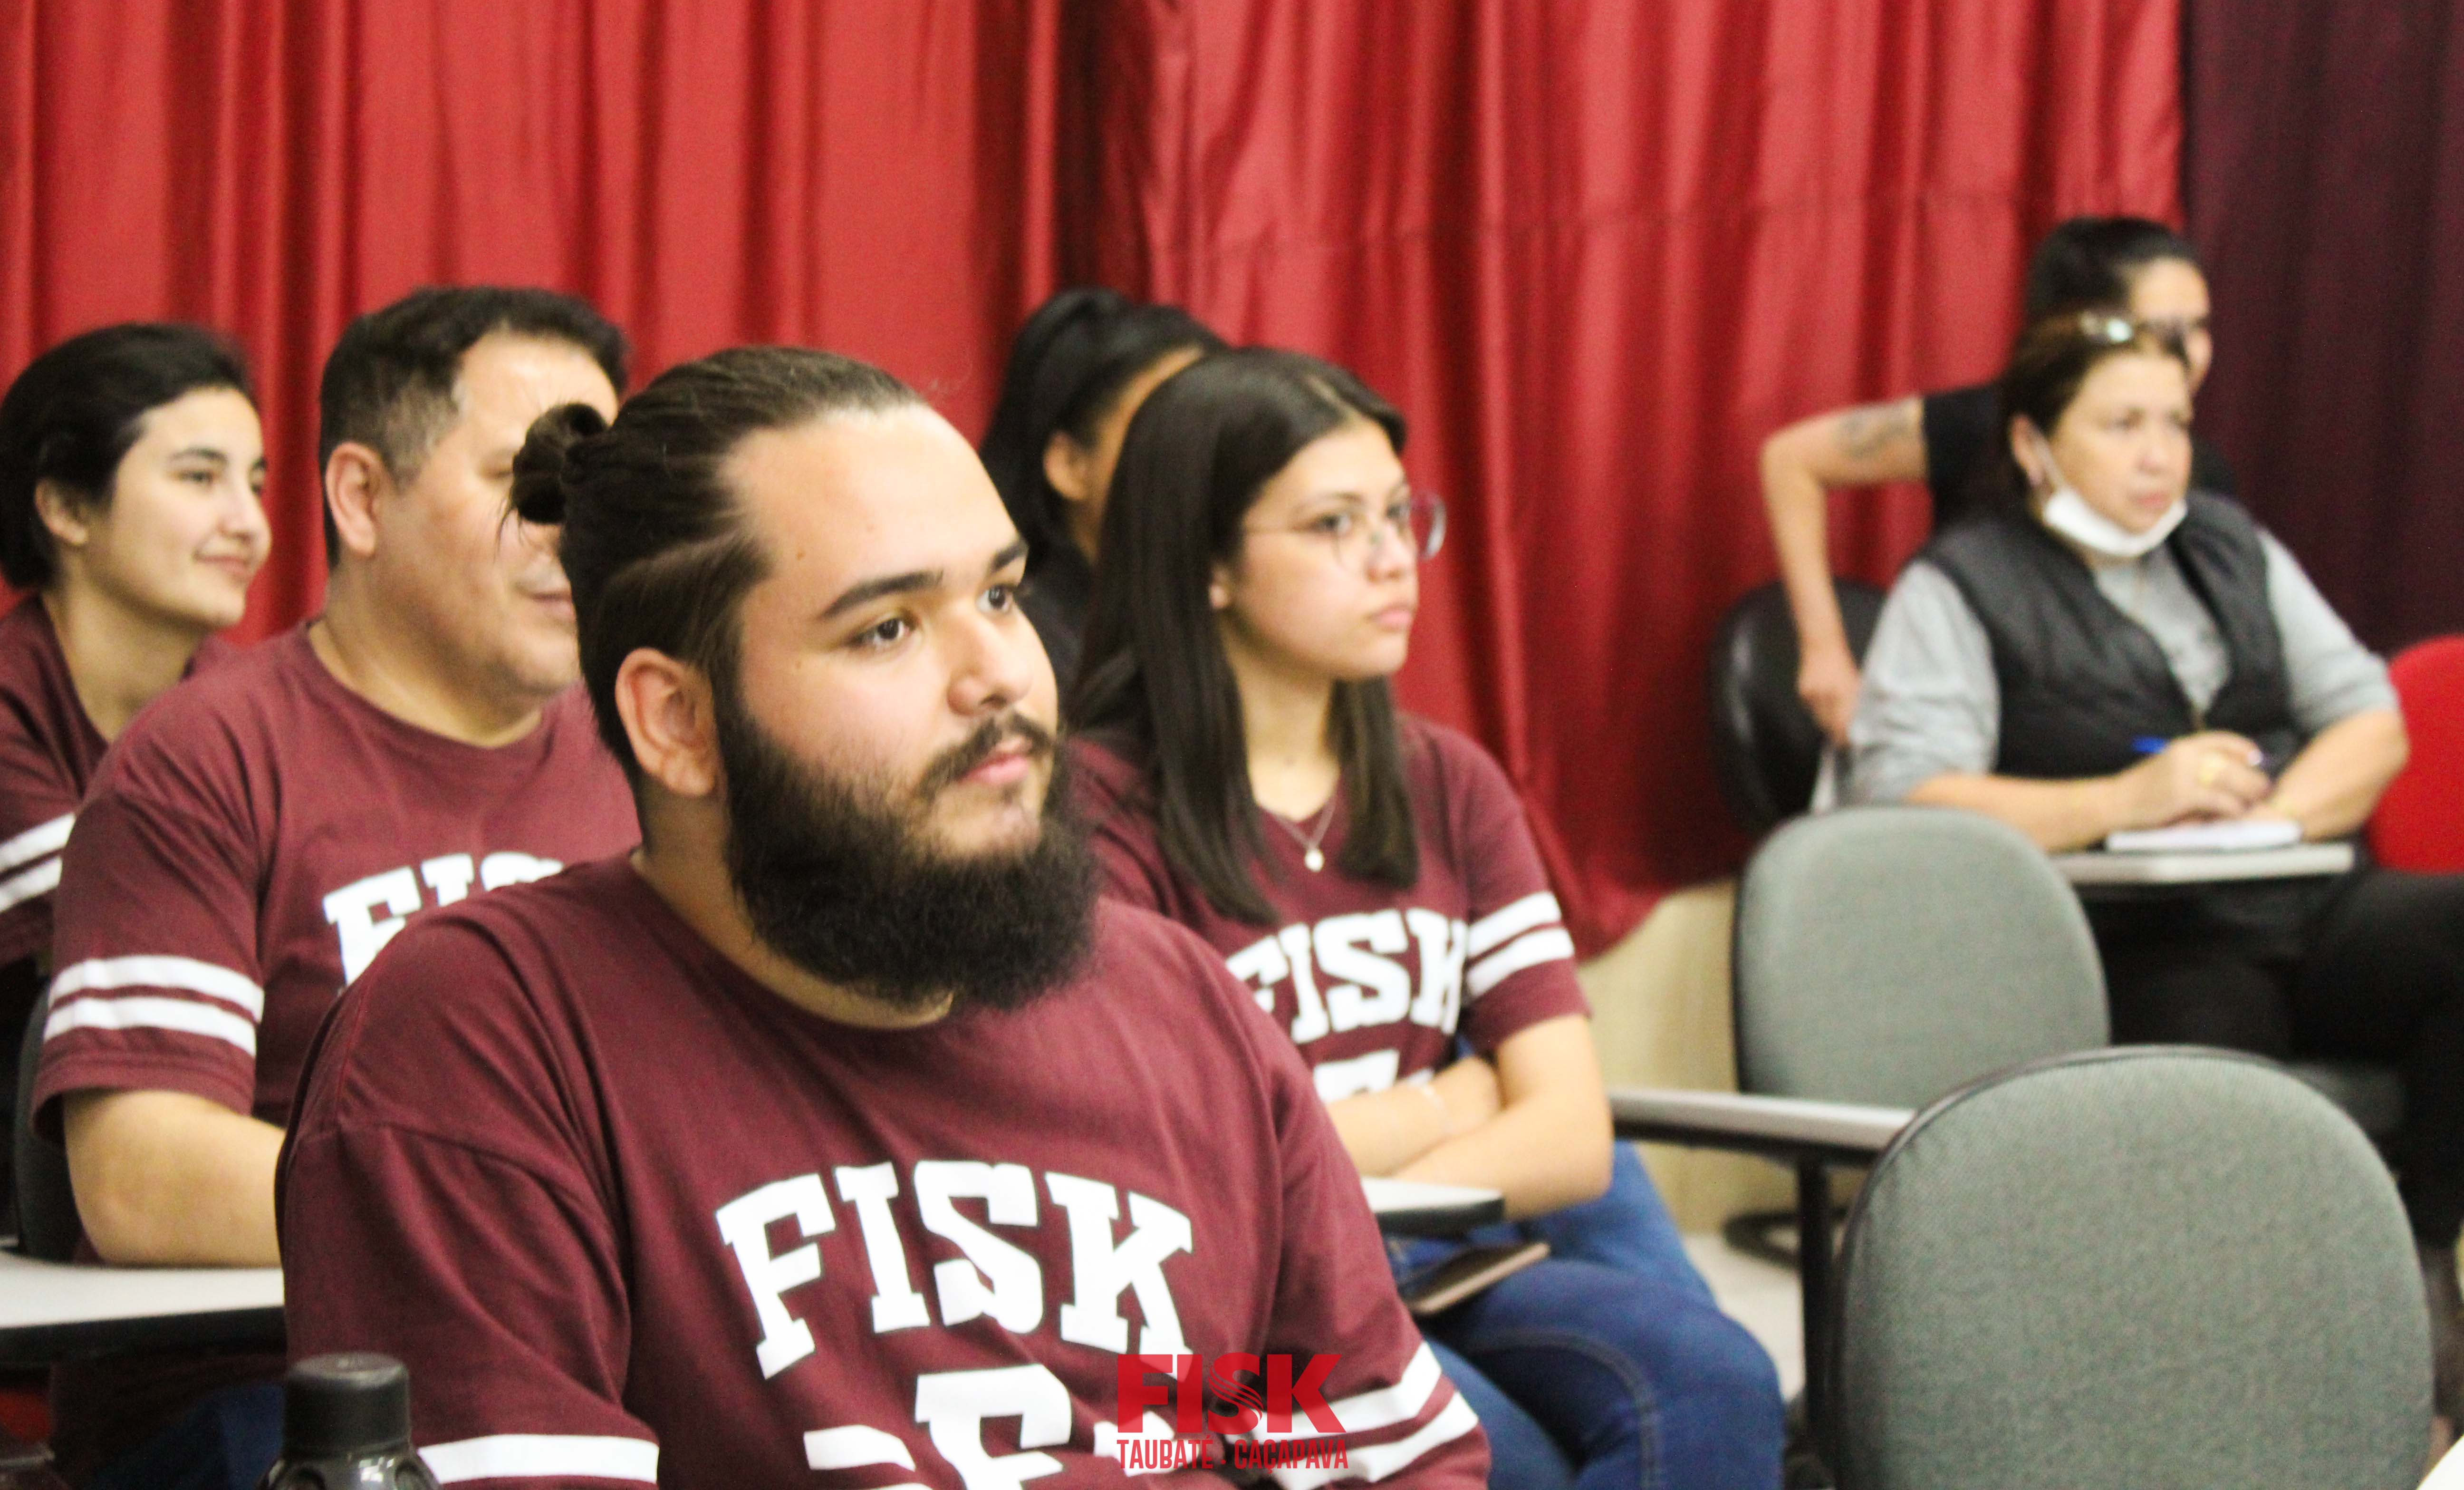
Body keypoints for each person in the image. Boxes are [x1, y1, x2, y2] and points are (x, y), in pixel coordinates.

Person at [276, 345, 1489, 1489]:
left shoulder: (1179, 1005)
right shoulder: (485, 1039)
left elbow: (1359, 1446)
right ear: (676, 722)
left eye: (1003, 594)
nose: (1001, 675)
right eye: (888, 627)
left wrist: (1170, 1423)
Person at [1068, 348, 1786, 1490]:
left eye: (1401, 514)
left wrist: (1340, 1150)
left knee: (1717, 1375)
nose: (1393, 555)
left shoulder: (1446, 778)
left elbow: (1567, 1136)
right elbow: (1178, 1189)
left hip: (1438, 1259)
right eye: (1333, 524)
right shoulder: (1093, 808)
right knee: (1498, 1462)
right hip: (1191, 1352)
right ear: (1206, 561)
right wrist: (1441, 1096)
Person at [29, 287, 641, 1490]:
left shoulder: (650, 751)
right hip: (270, 1394)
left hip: (600, 1369)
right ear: (363, 496)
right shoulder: (207, 756)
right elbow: (138, 1170)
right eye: (529, 481)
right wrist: (519, 1232)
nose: (571, 532)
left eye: (596, 488)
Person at [1846, 310, 2464, 1433]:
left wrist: (2269, 811)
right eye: (2120, 424)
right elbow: (1905, 800)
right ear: (2033, 444)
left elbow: (2370, 719)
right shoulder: (1961, 582)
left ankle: (2415, 1266)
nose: (2158, 455)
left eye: (2173, 423)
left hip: (2298, 899)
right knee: (2220, 1075)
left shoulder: (2231, 543)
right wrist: (2116, 804)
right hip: (2135, 940)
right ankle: (2254, 1379)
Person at [1760, 216, 2232, 744]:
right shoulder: (1979, 427)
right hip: (1975, 727)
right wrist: (1824, 652)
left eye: (2201, 328)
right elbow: (1791, 460)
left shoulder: (2200, 477)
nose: (2193, 356)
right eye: (2167, 333)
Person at [0, 325, 271, 1218]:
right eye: (200, 478)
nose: (250, 524)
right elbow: (89, 955)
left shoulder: (252, 707)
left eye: (257, 483)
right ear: (68, 511)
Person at [978, 286, 1221, 691]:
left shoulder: (1239, 614)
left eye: (1222, 434)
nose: (1209, 463)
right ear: (1071, 466)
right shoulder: (1023, 648)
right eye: (1173, 433)